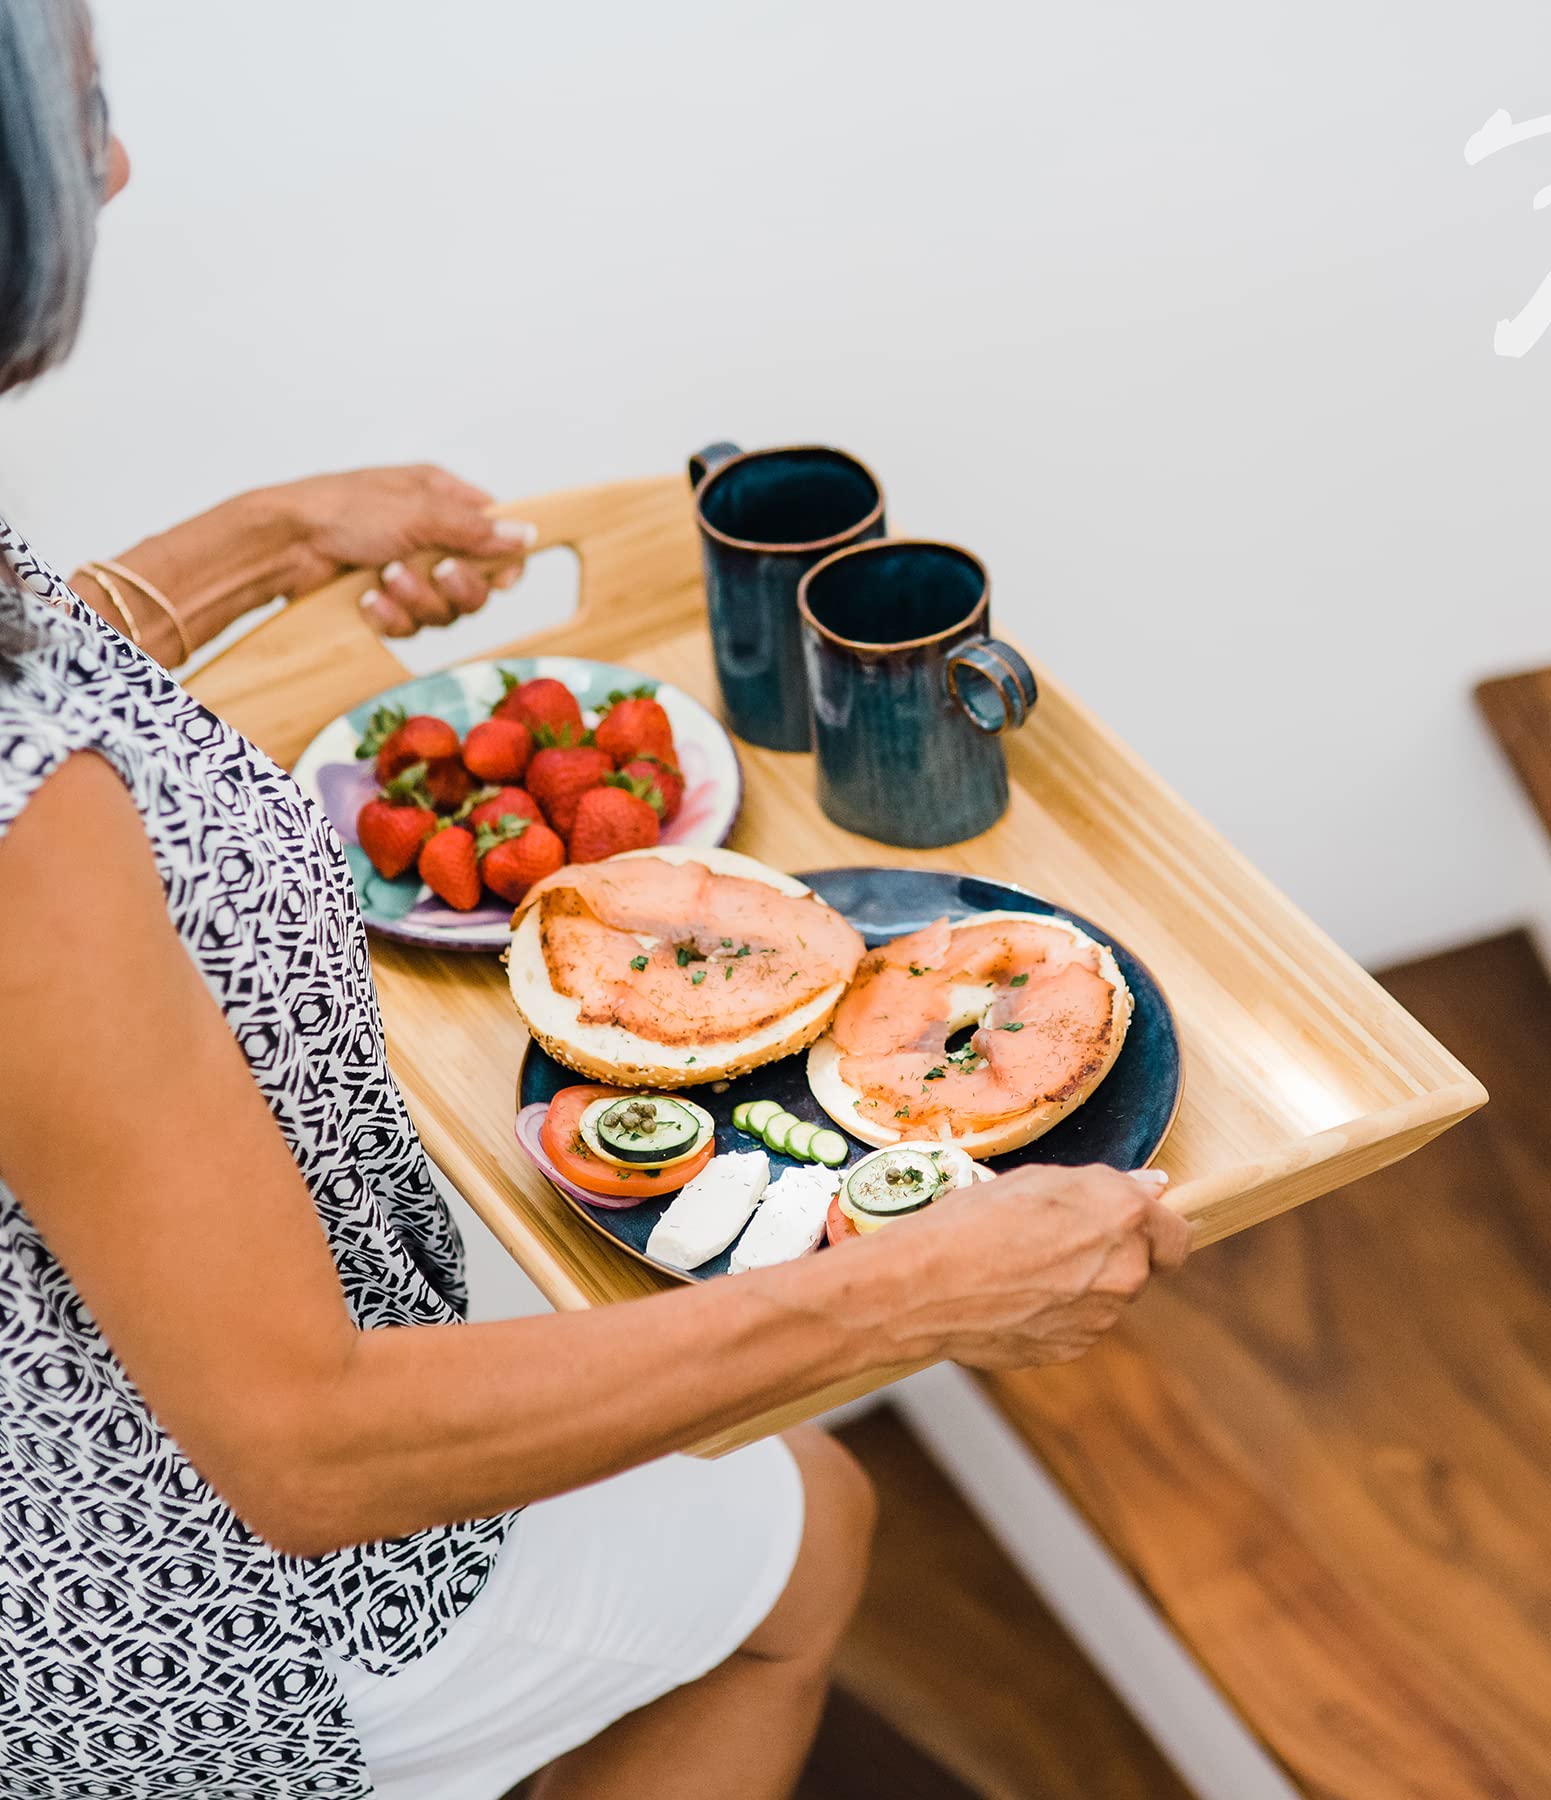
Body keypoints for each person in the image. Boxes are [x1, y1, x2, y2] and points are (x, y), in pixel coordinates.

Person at [0, 4, 1192, 1797]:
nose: (115, 163)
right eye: (78, 106)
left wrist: (248, 546)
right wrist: (917, 1298)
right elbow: (303, 1452)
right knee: (814, 1540)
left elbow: (39, 680)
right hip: (181, 1625)